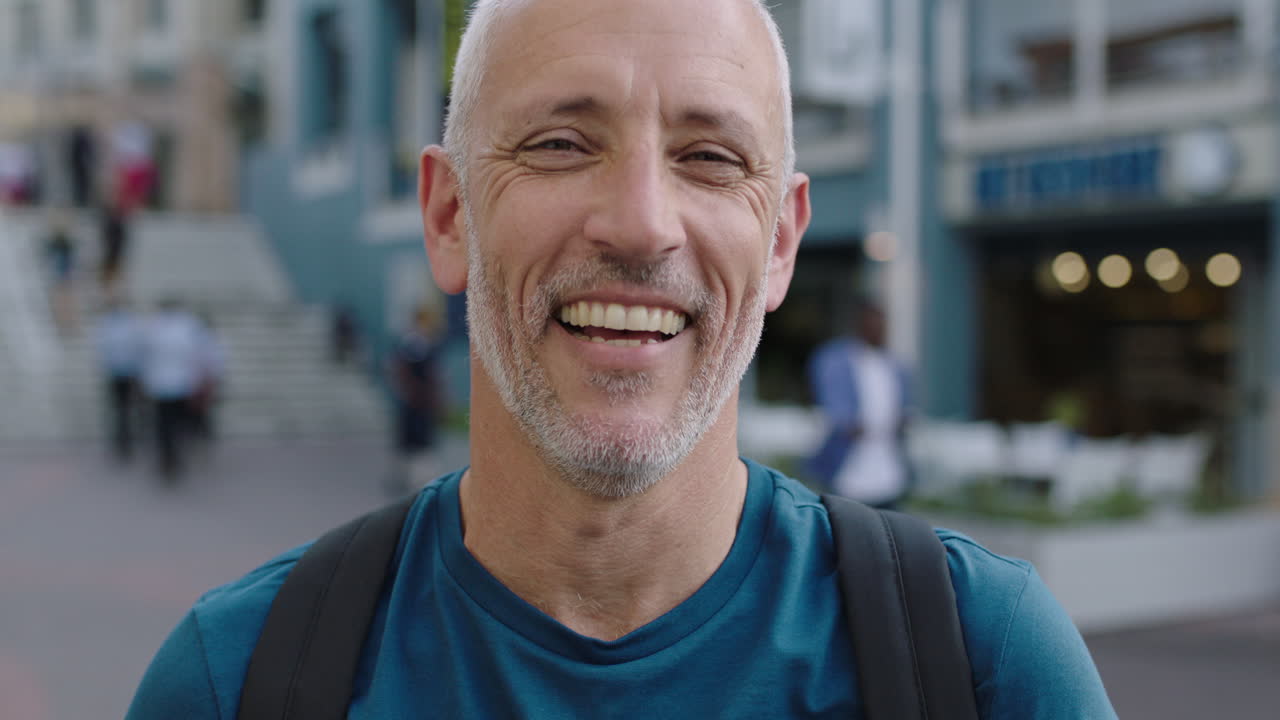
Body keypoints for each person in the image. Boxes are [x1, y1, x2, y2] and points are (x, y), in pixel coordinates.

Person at [126, 1, 1117, 717]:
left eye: (711, 158)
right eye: (560, 144)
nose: (641, 224)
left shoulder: (986, 664)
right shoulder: (237, 679)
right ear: (447, 215)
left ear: (780, 243)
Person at [807, 298, 914, 509]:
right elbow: (830, 406)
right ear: (859, 322)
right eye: (873, 320)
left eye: (882, 321)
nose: (879, 327)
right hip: (847, 470)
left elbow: (904, 406)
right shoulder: (834, 360)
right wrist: (848, 424)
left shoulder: (893, 364)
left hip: (889, 472)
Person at [139, 298, 203, 483]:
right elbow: (194, 356)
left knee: (165, 424)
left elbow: (146, 357)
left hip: (164, 384)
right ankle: (172, 456)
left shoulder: (155, 327)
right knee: (174, 423)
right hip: (177, 384)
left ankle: (169, 456)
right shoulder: (186, 326)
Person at [386, 305, 444, 494]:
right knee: (413, 440)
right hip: (415, 401)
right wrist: (413, 391)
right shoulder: (414, 343)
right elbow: (401, 370)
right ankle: (412, 479)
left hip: (420, 400)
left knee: (419, 440)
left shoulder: (422, 343)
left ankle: (415, 477)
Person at [93, 298, 143, 463]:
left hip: (118, 373)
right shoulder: (127, 325)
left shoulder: (107, 326)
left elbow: (103, 350)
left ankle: (123, 440)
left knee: (122, 409)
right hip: (125, 373)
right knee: (124, 409)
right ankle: (125, 439)